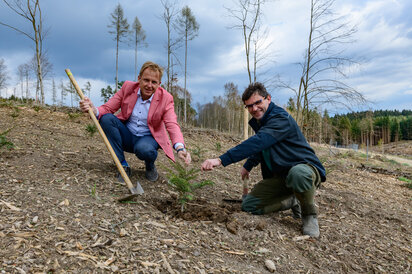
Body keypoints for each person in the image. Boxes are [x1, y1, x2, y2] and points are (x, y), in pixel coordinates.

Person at [201, 82, 326, 238]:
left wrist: (220, 160)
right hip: (282, 177)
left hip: (305, 170)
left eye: (258, 102)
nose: (254, 108)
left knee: (298, 174)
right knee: (249, 205)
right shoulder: (263, 122)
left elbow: (259, 141)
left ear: (268, 98)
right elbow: (263, 147)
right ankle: (292, 201)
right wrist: (248, 165)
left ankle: (309, 215)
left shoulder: (280, 118)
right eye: (249, 106)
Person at [80, 61, 191, 182]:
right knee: (106, 118)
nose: (149, 85)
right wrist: (93, 109)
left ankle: (149, 165)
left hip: (147, 139)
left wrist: (180, 148)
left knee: (145, 150)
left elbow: (172, 124)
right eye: (146, 80)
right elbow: (108, 108)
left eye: (154, 82)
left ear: (159, 84)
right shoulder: (128, 87)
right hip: (127, 135)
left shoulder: (166, 98)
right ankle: (122, 164)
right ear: (139, 79)